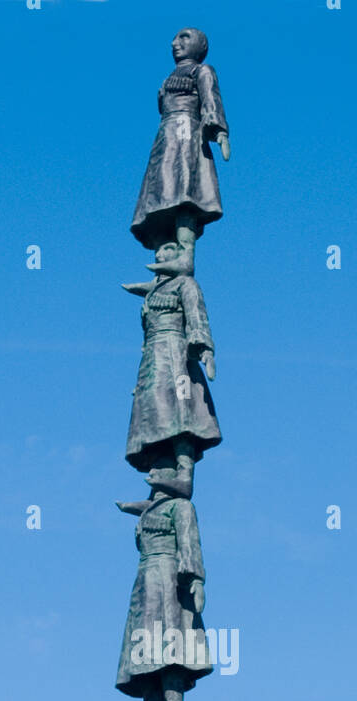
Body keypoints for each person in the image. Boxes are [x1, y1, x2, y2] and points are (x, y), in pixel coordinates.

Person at [115, 466, 212, 701]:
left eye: (161, 467)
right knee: (144, 655)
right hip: (145, 583)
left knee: (172, 652)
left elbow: (189, 543)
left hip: (170, 580)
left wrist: (196, 579)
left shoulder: (181, 507)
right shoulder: (152, 510)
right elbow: (145, 505)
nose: (153, 470)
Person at [131, 27, 230, 275]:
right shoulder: (166, 80)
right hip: (165, 138)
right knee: (160, 197)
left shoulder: (202, 71)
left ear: (200, 44)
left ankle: (185, 258)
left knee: (185, 195)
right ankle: (163, 263)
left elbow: (211, 101)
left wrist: (219, 132)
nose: (175, 42)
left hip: (187, 135)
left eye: (184, 37)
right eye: (175, 38)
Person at [123, 240, 221, 489]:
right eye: (159, 249)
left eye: (168, 248)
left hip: (177, 356)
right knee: (156, 416)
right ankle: (162, 471)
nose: (159, 253)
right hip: (152, 359)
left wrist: (205, 350)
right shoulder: (154, 293)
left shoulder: (186, 284)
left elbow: (196, 317)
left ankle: (185, 474)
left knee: (181, 415)